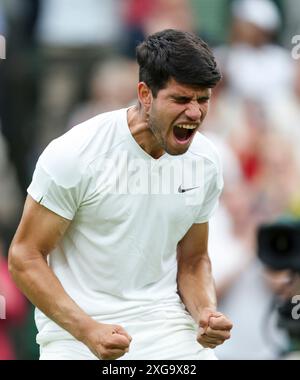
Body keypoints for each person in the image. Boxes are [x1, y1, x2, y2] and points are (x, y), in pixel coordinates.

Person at [8, 29, 232, 360]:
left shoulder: (206, 161)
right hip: (77, 338)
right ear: (145, 94)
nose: (196, 114)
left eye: (203, 99)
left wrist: (205, 312)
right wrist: (88, 330)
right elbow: (24, 257)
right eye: (182, 99)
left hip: (168, 330)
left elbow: (194, 259)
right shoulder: (75, 154)